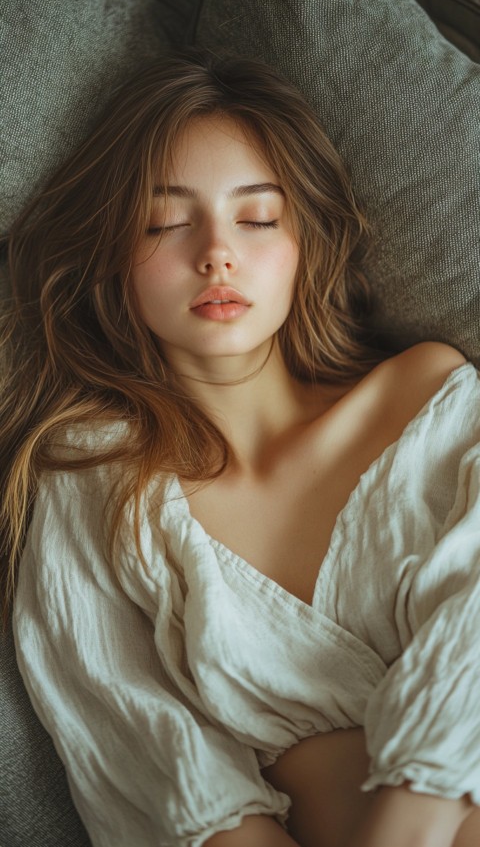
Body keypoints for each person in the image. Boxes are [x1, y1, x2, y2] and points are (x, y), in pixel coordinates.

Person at [1, 48, 479, 847]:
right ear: (113, 256)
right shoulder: (92, 479)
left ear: (303, 243)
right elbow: (145, 747)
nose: (216, 252)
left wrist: (410, 815)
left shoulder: (426, 397)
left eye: (257, 218)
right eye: (164, 221)